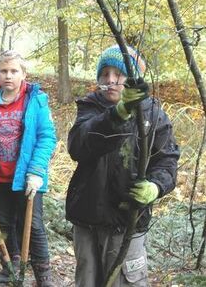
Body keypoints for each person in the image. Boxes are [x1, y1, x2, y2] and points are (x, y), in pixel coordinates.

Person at [66, 45, 179, 286]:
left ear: (132, 78)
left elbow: (167, 160)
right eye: (104, 74)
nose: (111, 80)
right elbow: (78, 146)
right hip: (87, 218)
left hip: (127, 219)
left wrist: (156, 187)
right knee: (87, 281)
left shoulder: (153, 113)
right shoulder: (90, 107)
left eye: (119, 74)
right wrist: (118, 113)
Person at [0, 50, 57, 286]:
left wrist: (37, 171)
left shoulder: (35, 100)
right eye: (4, 71)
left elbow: (46, 137)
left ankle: (43, 276)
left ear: (23, 74)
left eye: (14, 71)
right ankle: (11, 268)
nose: (8, 76)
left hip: (27, 177)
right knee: (5, 223)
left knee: (33, 225)